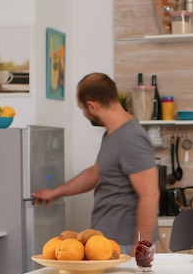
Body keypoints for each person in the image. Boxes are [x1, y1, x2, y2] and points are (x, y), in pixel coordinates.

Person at [32, 72, 159, 255]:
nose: (84, 114)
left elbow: (150, 194)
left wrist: (141, 249)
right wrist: (53, 193)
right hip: (109, 242)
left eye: (82, 108)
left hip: (126, 246)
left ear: (92, 106)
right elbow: (95, 173)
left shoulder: (131, 138)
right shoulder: (112, 134)